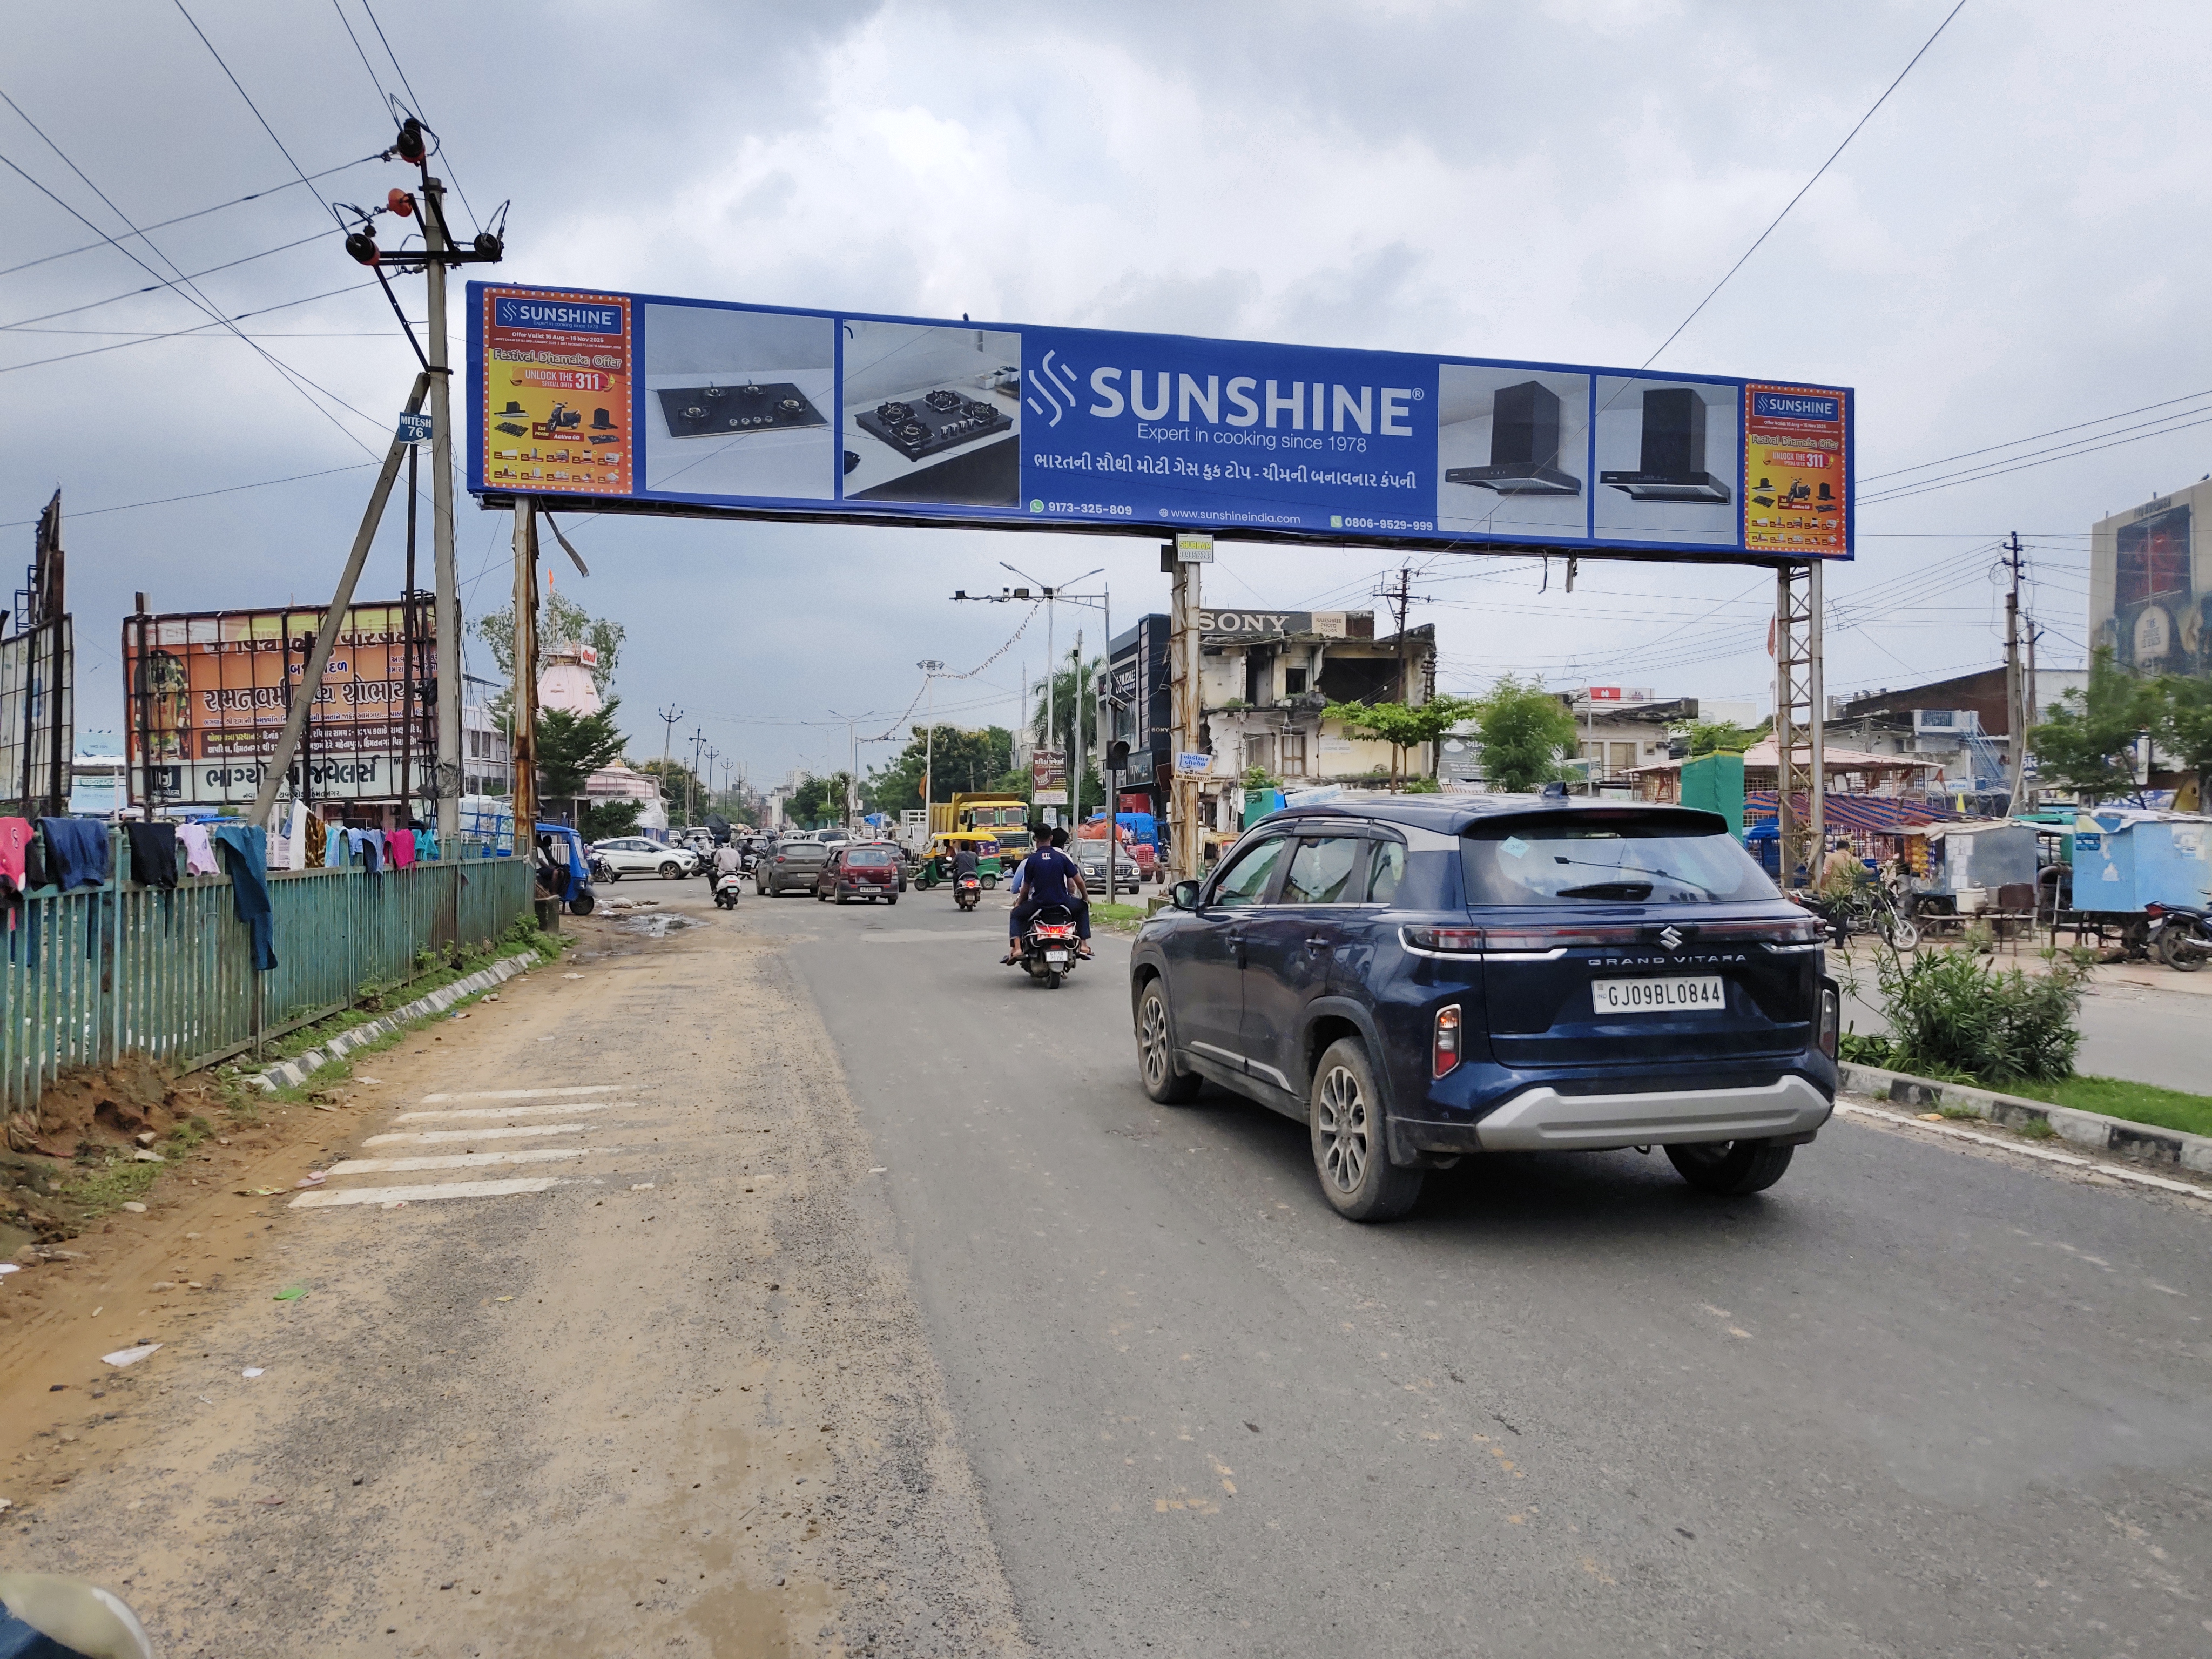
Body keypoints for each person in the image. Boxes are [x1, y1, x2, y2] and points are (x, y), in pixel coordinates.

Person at [1004, 826, 1090, 963]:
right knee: (1083, 908)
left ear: (1036, 840)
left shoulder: (1032, 861)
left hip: (1039, 904)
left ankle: (1017, 948)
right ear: (1051, 838)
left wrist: (1020, 903)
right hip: (1063, 902)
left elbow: (1025, 890)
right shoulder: (1062, 858)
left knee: (1016, 914)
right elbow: (1078, 882)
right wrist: (1085, 898)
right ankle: (1084, 945)